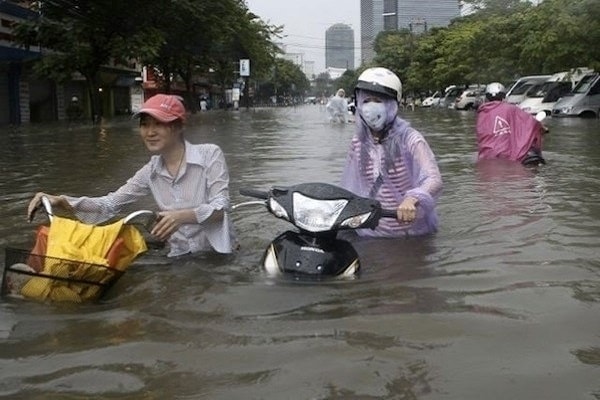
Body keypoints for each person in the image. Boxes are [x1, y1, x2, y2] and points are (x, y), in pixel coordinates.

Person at [27, 94, 236, 257]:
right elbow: (110, 204)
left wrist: (181, 216)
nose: (149, 132)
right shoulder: (150, 171)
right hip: (178, 256)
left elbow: (221, 207)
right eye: (145, 124)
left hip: (217, 257)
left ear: (178, 127)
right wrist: (61, 201)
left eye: (158, 124)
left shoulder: (209, 155)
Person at [340, 67, 443, 237]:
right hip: (370, 232)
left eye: (378, 100)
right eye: (366, 101)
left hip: (408, 234)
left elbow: (434, 179)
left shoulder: (410, 139)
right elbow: (351, 185)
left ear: (391, 104)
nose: (370, 107)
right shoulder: (358, 141)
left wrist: (412, 199)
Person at [476, 82, 545, 166]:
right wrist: (541, 127)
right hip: (507, 154)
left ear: (487, 96)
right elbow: (530, 121)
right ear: (503, 95)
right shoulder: (511, 109)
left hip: (486, 155)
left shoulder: (482, 113)